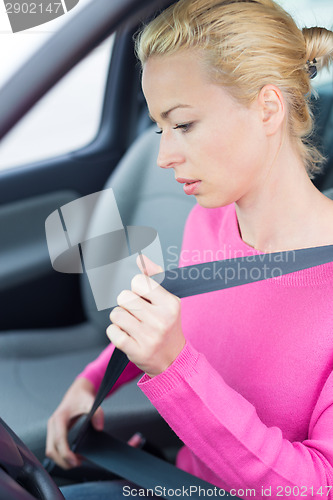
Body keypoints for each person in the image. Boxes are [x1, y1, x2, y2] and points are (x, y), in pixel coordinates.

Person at [46, 0, 333, 498]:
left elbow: (314, 487)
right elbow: (180, 328)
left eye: (183, 124)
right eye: (159, 126)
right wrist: (95, 380)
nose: (163, 155)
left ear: (268, 107)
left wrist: (172, 367)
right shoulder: (211, 220)